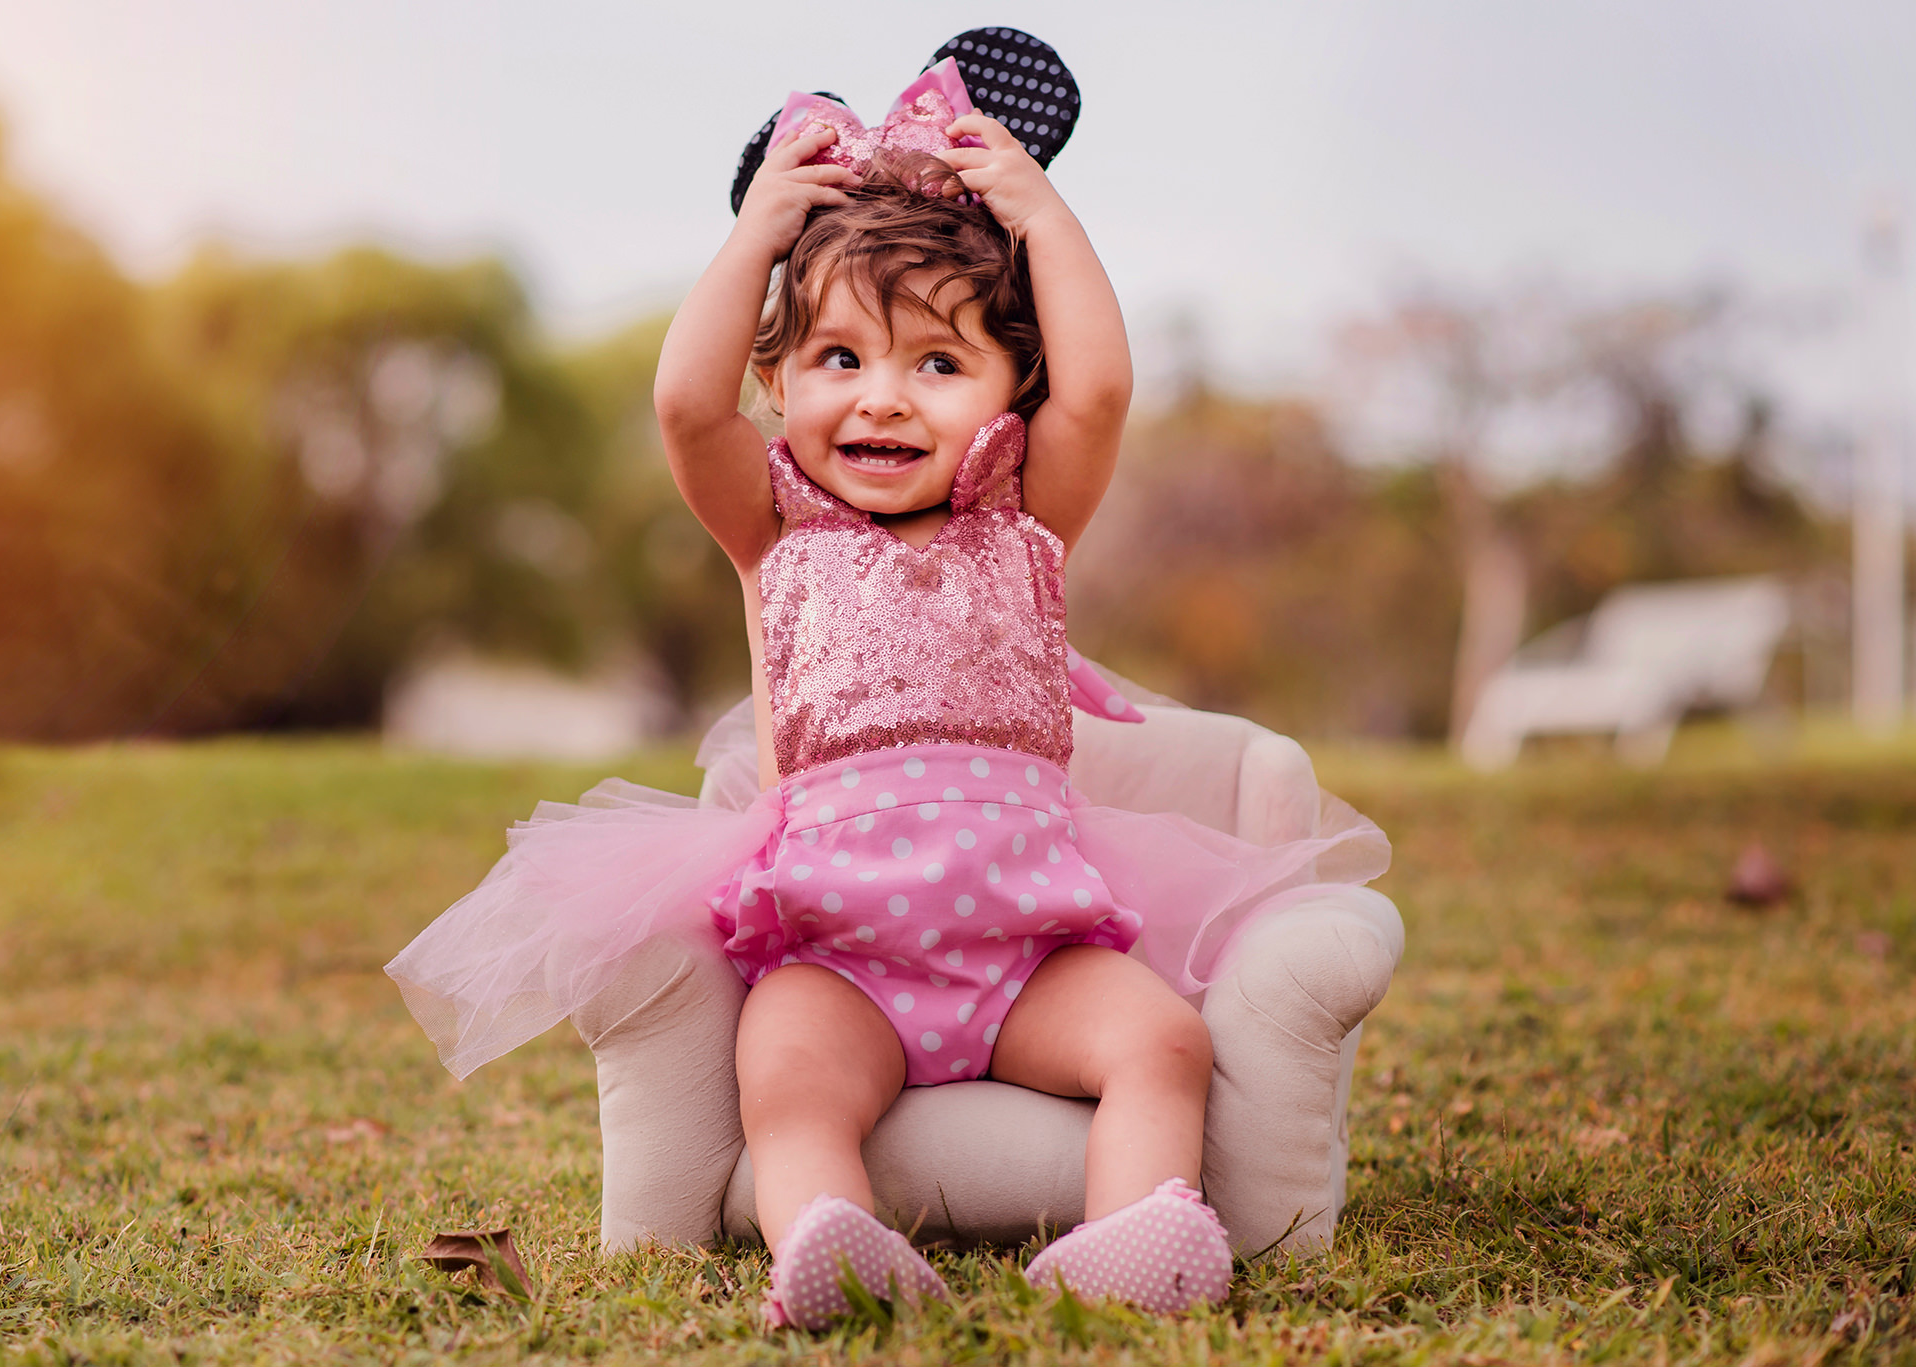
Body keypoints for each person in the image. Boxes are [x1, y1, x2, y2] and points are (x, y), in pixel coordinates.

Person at [387, 31, 1385, 1331]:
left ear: (1013, 388)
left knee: (1164, 1041)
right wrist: (759, 232)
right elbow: (685, 407)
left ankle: (1139, 1237)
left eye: (939, 364)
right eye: (840, 360)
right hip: (839, 957)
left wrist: (1042, 214)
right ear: (779, 378)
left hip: (1028, 955)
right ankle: (829, 1244)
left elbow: (1102, 392)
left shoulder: (1024, 522)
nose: (884, 401)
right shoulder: (775, 534)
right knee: (787, 1082)